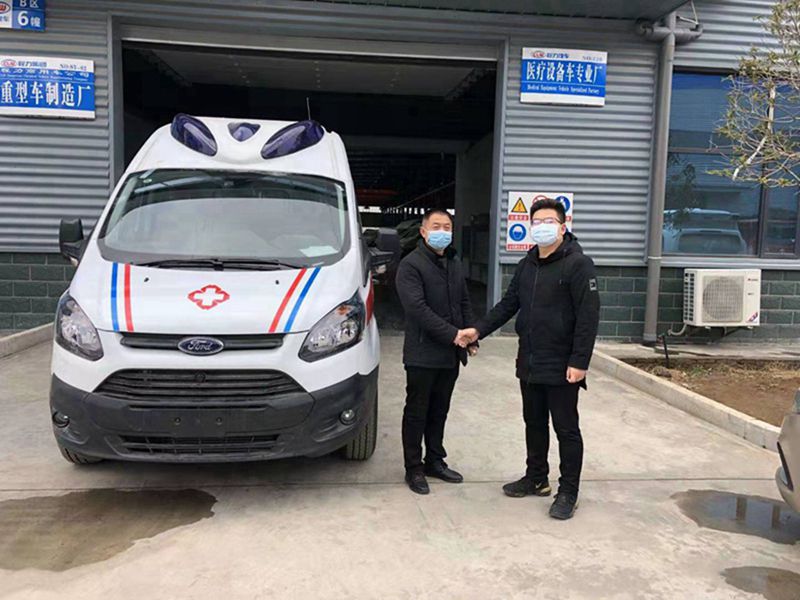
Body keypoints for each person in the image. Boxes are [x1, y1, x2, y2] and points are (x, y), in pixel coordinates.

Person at [456, 198, 600, 519]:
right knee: (533, 423)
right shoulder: (527, 264)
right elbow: (508, 305)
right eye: (537, 222)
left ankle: (568, 491)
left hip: (562, 364)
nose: (542, 227)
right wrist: (477, 330)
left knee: (566, 429)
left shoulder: (578, 265)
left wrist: (580, 362)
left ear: (563, 227)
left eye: (549, 221)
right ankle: (536, 478)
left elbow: (588, 317)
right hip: (529, 359)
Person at [395, 209, 477, 495]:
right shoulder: (411, 265)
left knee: (439, 410)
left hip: (450, 354)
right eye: (436, 226)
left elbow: (463, 301)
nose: (442, 231)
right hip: (422, 353)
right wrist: (454, 335)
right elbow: (417, 309)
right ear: (423, 231)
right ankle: (413, 468)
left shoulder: (453, 262)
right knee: (417, 412)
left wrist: (471, 335)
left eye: (447, 227)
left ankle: (434, 461)